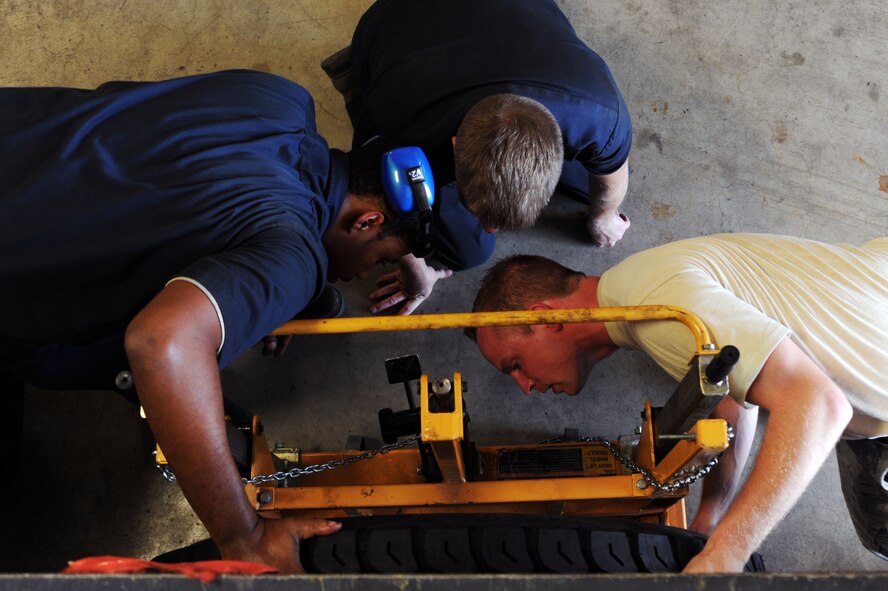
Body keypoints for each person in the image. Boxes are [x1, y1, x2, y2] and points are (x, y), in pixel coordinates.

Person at [0, 69, 440, 572]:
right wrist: (244, 537)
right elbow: (162, 344)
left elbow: (202, 184)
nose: (364, 274)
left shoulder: (278, 98)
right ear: (366, 221)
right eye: (381, 259)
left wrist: (272, 285)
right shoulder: (293, 256)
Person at [468, 234, 888, 572]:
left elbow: (818, 405)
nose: (525, 386)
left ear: (544, 318)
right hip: (869, 307)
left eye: (515, 365)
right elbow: (734, 402)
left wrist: (726, 552)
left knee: (877, 529)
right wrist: (709, 516)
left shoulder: (655, 307)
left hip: (874, 368)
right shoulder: (636, 295)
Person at [336, 0, 633, 315]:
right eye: (476, 210)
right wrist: (416, 272)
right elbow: (382, 206)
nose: (490, 229)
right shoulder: (393, 133)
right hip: (399, 15)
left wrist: (604, 217)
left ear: (555, 149)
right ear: (455, 147)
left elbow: (612, 169)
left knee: (600, 184)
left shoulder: (597, 113)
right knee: (467, 252)